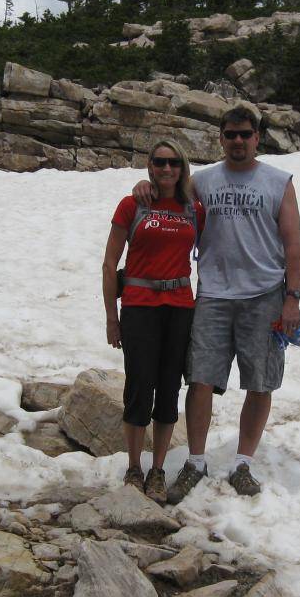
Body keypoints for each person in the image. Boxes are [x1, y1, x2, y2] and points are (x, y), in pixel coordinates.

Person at [134, 104, 300, 502]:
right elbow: (167, 196)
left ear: (258, 137)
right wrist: (143, 188)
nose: (238, 141)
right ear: (221, 138)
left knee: (260, 383)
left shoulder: (279, 181)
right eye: (231, 135)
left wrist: (292, 298)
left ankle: (243, 461)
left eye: (246, 134)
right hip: (212, 294)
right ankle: (195, 460)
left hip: (264, 295)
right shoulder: (204, 181)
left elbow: (293, 246)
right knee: (200, 379)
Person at [102, 140, 206, 504]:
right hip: (139, 306)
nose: (166, 169)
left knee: (168, 388)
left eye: (173, 162)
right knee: (139, 387)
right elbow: (109, 263)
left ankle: (158, 470)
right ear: (149, 165)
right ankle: (134, 467)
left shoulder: (193, 209)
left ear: (182, 166)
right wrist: (111, 319)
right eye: (159, 162)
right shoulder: (134, 205)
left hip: (179, 307)